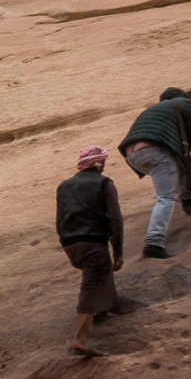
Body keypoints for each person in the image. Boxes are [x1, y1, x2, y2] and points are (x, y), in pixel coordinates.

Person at [117, 87, 191, 258]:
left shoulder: (160, 111)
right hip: (154, 152)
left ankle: (190, 201)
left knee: (181, 165)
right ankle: (154, 243)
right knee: (166, 197)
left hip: (133, 155)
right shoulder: (187, 104)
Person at [55, 144, 123, 356]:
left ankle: (102, 310)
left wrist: (67, 246)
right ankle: (81, 340)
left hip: (70, 242)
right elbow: (115, 218)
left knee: (100, 270)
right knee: (92, 284)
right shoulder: (104, 183)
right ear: (98, 163)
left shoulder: (64, 186)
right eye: (103, 161)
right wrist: (118, 250)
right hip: (93, 240)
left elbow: (59, 218)